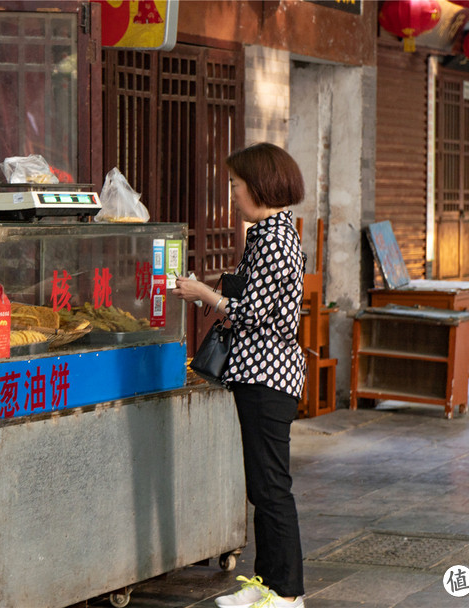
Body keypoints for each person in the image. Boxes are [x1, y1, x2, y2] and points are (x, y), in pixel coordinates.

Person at [172, 143, 307, 608]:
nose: (232, 194)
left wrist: (205, 294)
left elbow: (251, 312)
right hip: (264, 374)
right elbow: (253, 288)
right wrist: (208, 287)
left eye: (236, 185)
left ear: (260, 186)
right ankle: (266, 589)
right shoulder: (271, 231)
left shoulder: (272, 237)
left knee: (270, 487)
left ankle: (285, 594)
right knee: (264, 485)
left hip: (266, 376)